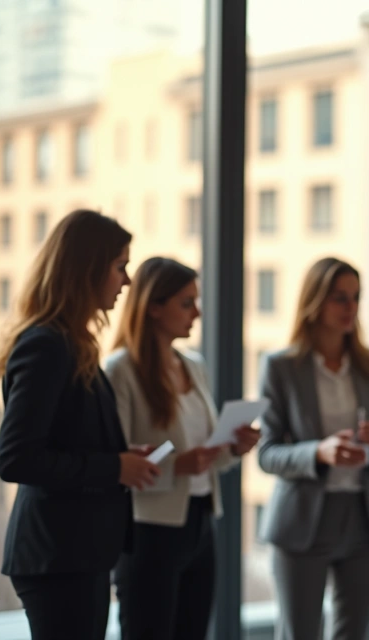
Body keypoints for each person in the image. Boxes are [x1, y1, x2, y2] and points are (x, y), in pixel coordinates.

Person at [0, 209, 159, 639]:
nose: (127, 281)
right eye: (120, 266)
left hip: (75, 553)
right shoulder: (46, 346)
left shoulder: (71, 343)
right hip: (58, 555)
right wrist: (114, 467)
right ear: (87, 269)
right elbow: (16, 459)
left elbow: (67, 438)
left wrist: (120, 458)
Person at [104, 257, 261, 640]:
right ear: (154, 307)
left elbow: (205, 455)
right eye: (187, 303)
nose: (198, 313)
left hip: (200, 522)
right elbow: (116, 462)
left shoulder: (194, 365)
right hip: (148, 530)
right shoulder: (120, 370)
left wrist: (233, 447)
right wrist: (178, 465)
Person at [258, 257, 369, 640]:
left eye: (356, 297)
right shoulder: (281, 366)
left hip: (364, 521)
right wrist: (318, 452)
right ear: (315, 301)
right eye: (340, 298)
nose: (351, 307)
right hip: (301, 522)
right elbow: (267, 454)